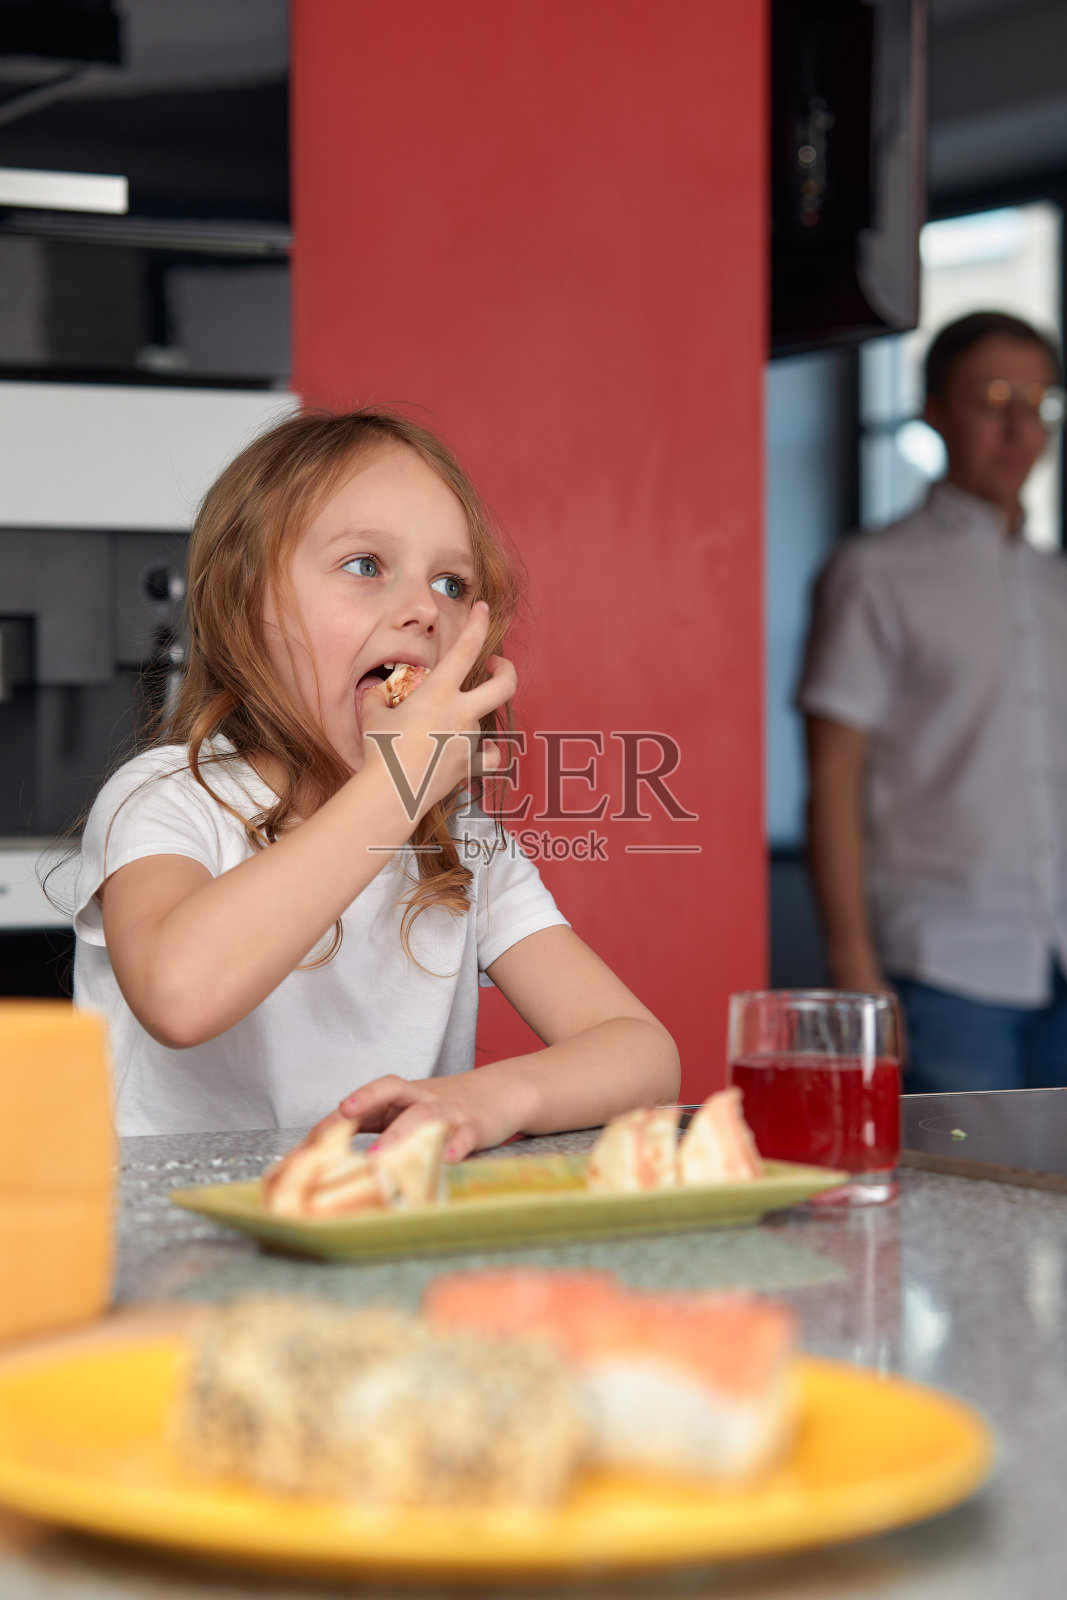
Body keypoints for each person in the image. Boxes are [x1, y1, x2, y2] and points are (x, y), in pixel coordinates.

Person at [73, 408, 679, 1146]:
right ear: (243, 603)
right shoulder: (169, 800)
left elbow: (641, 1052)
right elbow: (178, 995)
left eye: (453, 584)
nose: (425, 609)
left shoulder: (457, 841)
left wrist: (493, 1098)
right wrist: (393, 788)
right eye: (365, 566)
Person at [798, 310, 1067, 1093]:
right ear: (933, 410)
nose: (1019, 428)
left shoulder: (1058, 586)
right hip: (940, 969)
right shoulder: (873, 574)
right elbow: (833, 783)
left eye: (1040, 402)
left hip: (1057, 956)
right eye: (991, 398)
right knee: (965, 1204)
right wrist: (854, 966)